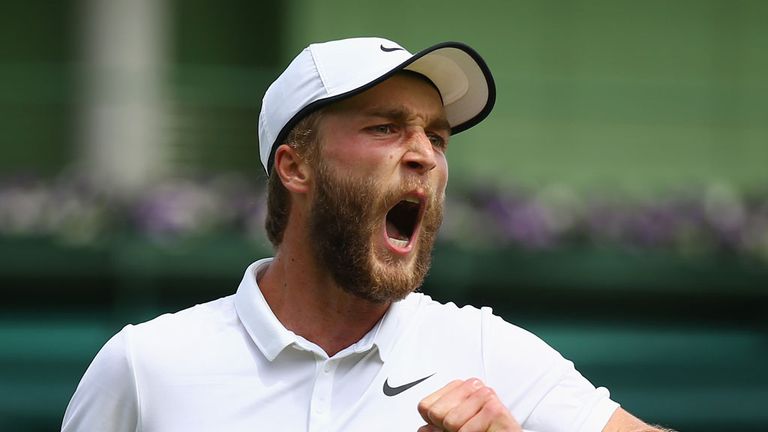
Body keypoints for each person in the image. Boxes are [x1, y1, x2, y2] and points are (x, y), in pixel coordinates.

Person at [62, 37, 671, 432]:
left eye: (436, 137)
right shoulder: (144, 367)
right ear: (295, 165)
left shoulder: (488, 353)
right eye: (385, 128)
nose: (425, 157)